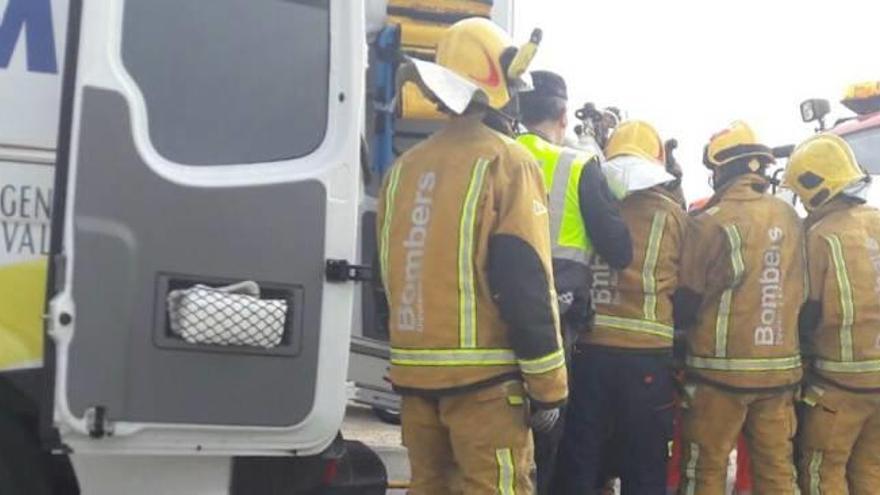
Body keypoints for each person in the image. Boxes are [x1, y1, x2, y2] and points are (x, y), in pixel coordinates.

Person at [378, 18, 568, 494]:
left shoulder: (403, 169)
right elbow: (524, 280)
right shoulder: (507, 160)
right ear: (502, 85)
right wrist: (549, 388)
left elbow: (393, 275)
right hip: (485, 391)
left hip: (416, 383)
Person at [515, 70, 633, 495]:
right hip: (553, 323)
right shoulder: (578, 165)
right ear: (564, 115)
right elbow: (619, 248)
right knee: (545, 446)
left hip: (485, 325)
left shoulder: (495, 153)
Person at [553, 120, 685, 494]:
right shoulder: (672, 214)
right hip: (647, 358)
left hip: (588, 350)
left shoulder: (591, 200)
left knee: (580, 457)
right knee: (644, 464)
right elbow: (687, 284)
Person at [675, 121, 804, 495]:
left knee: (706, 471)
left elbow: (686, 297)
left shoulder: (710, 222)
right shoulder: (790, 217)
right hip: (780, 375)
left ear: (722, 171)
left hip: (719, 378)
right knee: (777, 471)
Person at [784, 133, 880, 494]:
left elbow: (804, 310)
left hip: (840, 386)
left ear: (814, 186)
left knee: (822, 471)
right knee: (870, 470)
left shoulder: (820, 235)